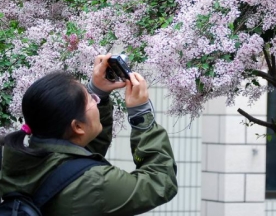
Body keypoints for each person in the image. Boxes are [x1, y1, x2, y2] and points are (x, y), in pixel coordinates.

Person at [0, 54, 178, 215]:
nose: (95, 99)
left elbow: (75, 165)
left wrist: (98, 91)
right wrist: (141, 116)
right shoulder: (95, 183)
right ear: (77, 126)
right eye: (91, 99)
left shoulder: (18, 159)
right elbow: (159, 183)